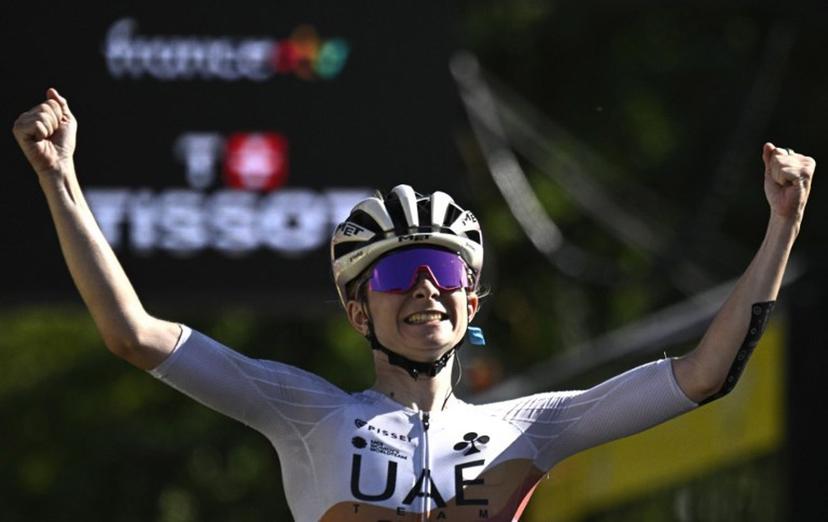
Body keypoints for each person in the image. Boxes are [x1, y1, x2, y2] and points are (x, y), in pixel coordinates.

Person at [13, 88, 815, 521]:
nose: (426, 287)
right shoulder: (303, 411)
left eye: (443, 270)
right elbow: (134, 335)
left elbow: (705, 374)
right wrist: (59, 179)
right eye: (400, 273)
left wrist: (783, 223)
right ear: (359, 313)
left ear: (472, 304)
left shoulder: (534, 427)